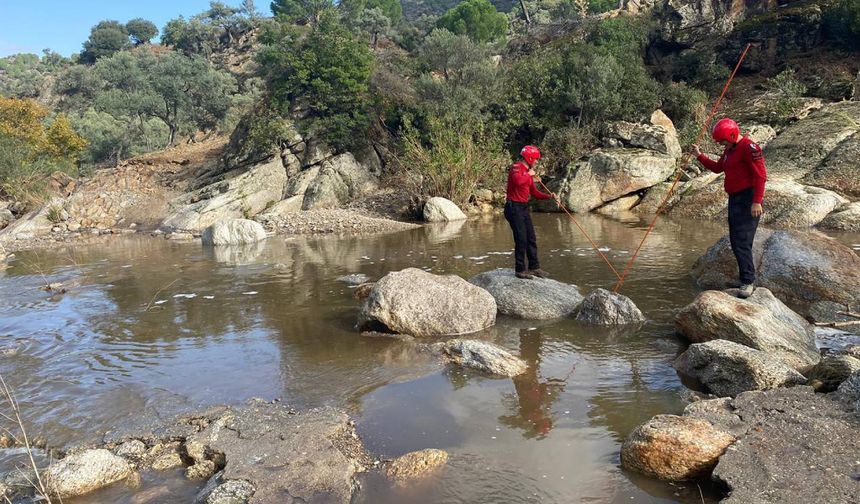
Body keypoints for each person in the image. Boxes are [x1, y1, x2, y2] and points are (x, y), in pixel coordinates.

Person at [693, 118, 767, 298]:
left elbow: (761, 176)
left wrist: (757, 201)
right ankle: (745, 277)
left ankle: (748, 282)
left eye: (722, 141)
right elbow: (719, 168)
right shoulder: (730, 149)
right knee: (735, 241)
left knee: (742, 242)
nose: (720, 144)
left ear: (732, 135)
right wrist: (699, 156)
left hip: (748, 199)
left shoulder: (750, 148)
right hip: (734, 199)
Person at [505, 145, 559, 280]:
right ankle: (520, 270)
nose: (536, 162)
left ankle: (534, 267)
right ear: (529, 158)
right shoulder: (517, 167)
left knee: (531, 238)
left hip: (523, 207)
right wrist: (529, 174)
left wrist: (549, 196)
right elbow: (518, 181)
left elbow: (534, 192)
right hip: (513, 208)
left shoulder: (527, 171)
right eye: (535, 160)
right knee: (521, 239)